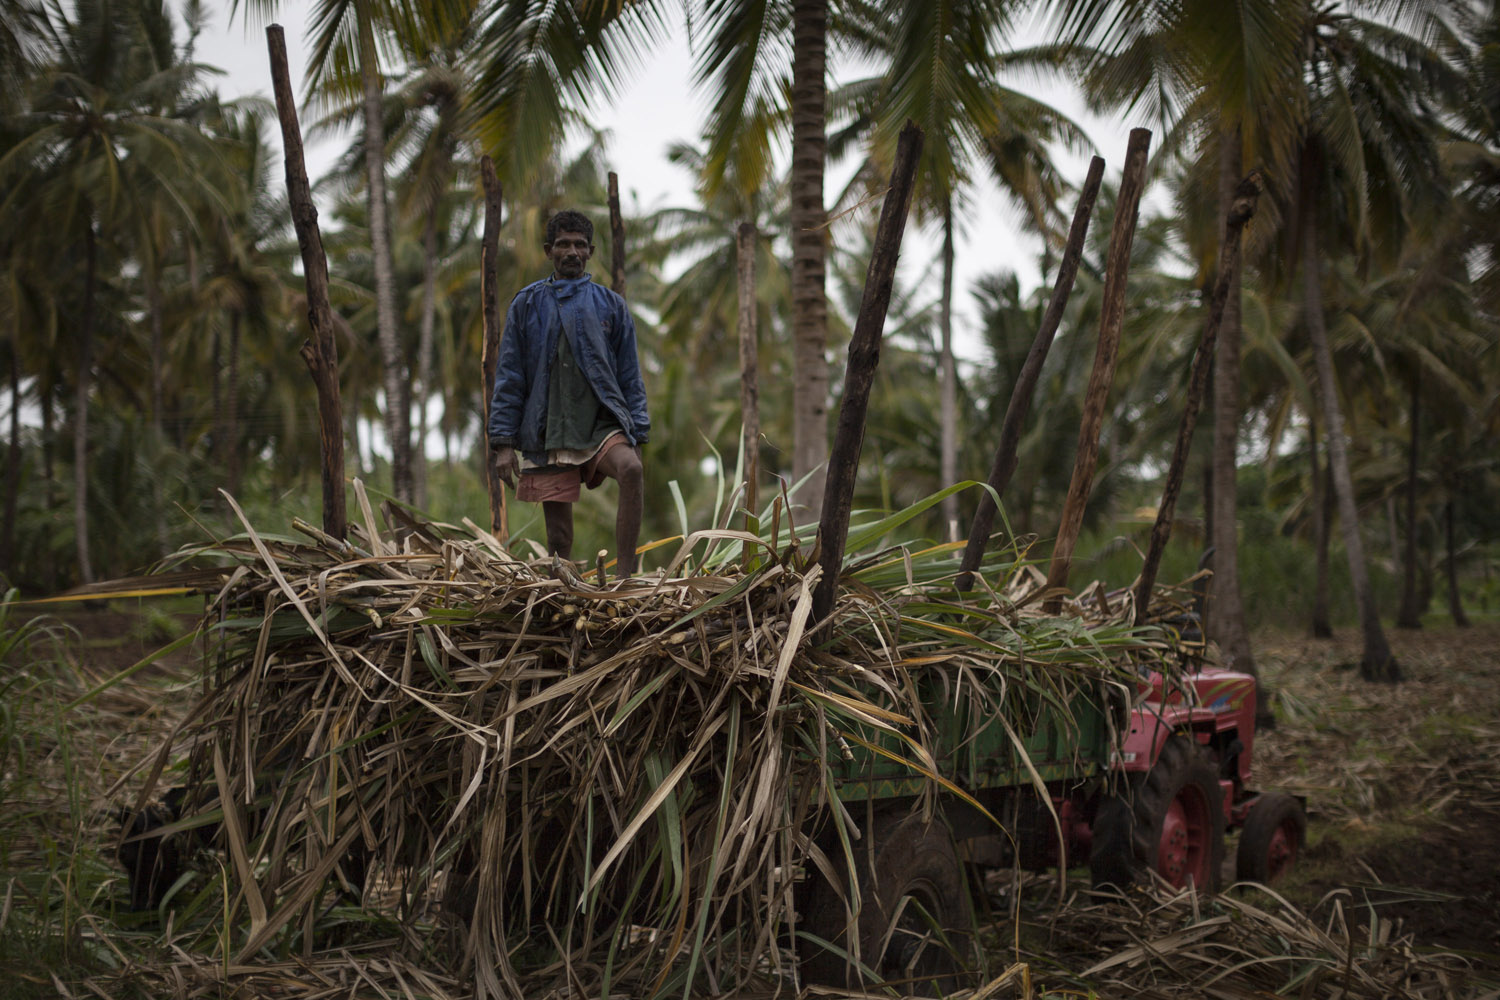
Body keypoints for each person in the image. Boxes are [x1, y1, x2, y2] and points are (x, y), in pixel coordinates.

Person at [488, 209, 649, 574]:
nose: (572, 251)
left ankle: (626, 577)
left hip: (598, 426)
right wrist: (501, 444)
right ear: (549, 251)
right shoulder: (526, 305)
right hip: (546, 430)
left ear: (591, 251)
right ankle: (564, 591)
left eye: (579, 244)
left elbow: (630, 376)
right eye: (563, 244)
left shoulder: (611, 306)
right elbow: (509, 375)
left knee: (631, 470)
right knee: (559, 537)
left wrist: (637, 431)